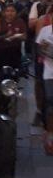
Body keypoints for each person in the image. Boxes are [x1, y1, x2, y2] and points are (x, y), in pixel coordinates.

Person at [36, 8, 53, 155]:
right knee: (50, 103)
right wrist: (47, 51)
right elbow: (39, 49)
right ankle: (50, 134)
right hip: (49, 73)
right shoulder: (46, 30)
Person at [0, 3, 27, 70]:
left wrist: (16, 36)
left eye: (12, 11)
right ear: (4, 12)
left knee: (15, 72)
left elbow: (25, 36)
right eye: (8, 11)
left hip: (15, 50)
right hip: (1, 50)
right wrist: (5, 36)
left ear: (16, 12)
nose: (10, 13)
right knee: (2, 72)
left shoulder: (20, 21)